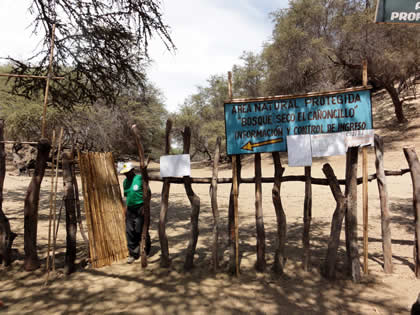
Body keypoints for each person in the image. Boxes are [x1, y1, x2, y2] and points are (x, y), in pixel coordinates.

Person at [120, 162, 151, 264]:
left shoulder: (140, 179)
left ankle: (146, 248)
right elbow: (126, 196)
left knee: (139, 229)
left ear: (132, 170)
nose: (126, 174)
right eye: (124, 173)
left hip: (141, 208)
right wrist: (125, 208)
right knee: (129, 231)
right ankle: (133, 254)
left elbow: (148, 193)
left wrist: (145, 206)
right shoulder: (125, 182)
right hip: (130, 209)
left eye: (127, 172)